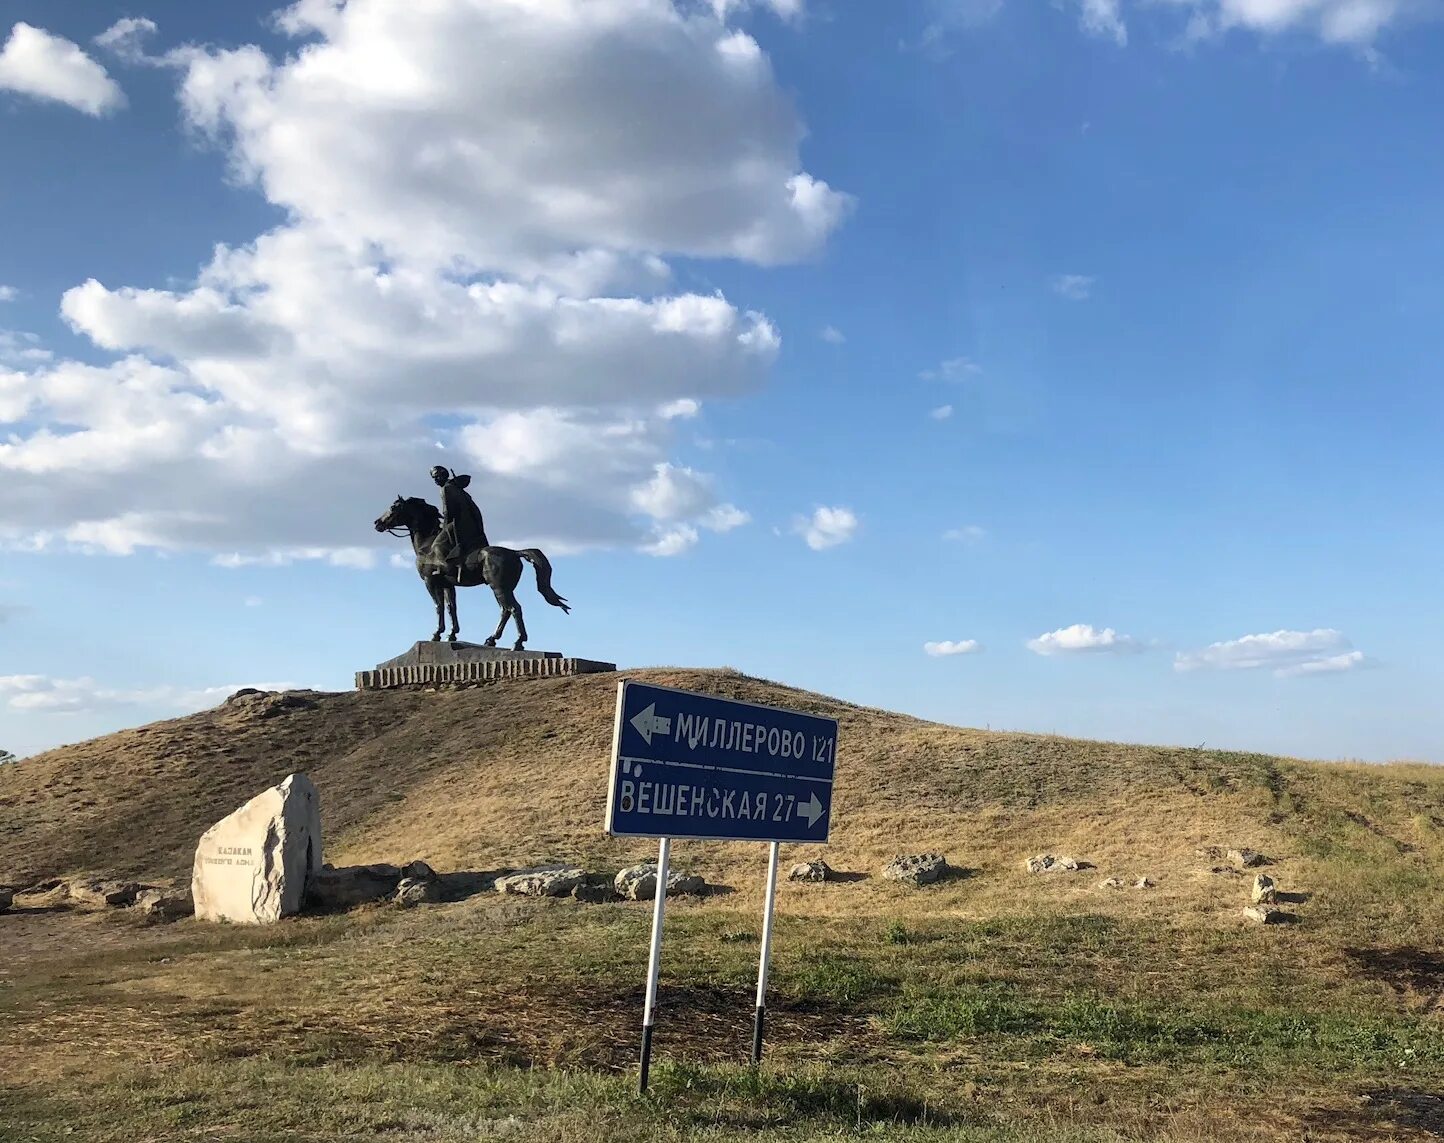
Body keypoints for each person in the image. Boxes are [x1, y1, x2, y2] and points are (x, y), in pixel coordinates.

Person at [430, 465, 489, 581]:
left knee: (436, 545)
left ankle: (449, 568)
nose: (436, 480)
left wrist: (444, 525)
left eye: (437, 476)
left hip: (459, 523)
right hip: (470, 523)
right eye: (434, 478)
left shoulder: (446, 488)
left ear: (443, 475)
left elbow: (448, 511)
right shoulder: (456, 487)